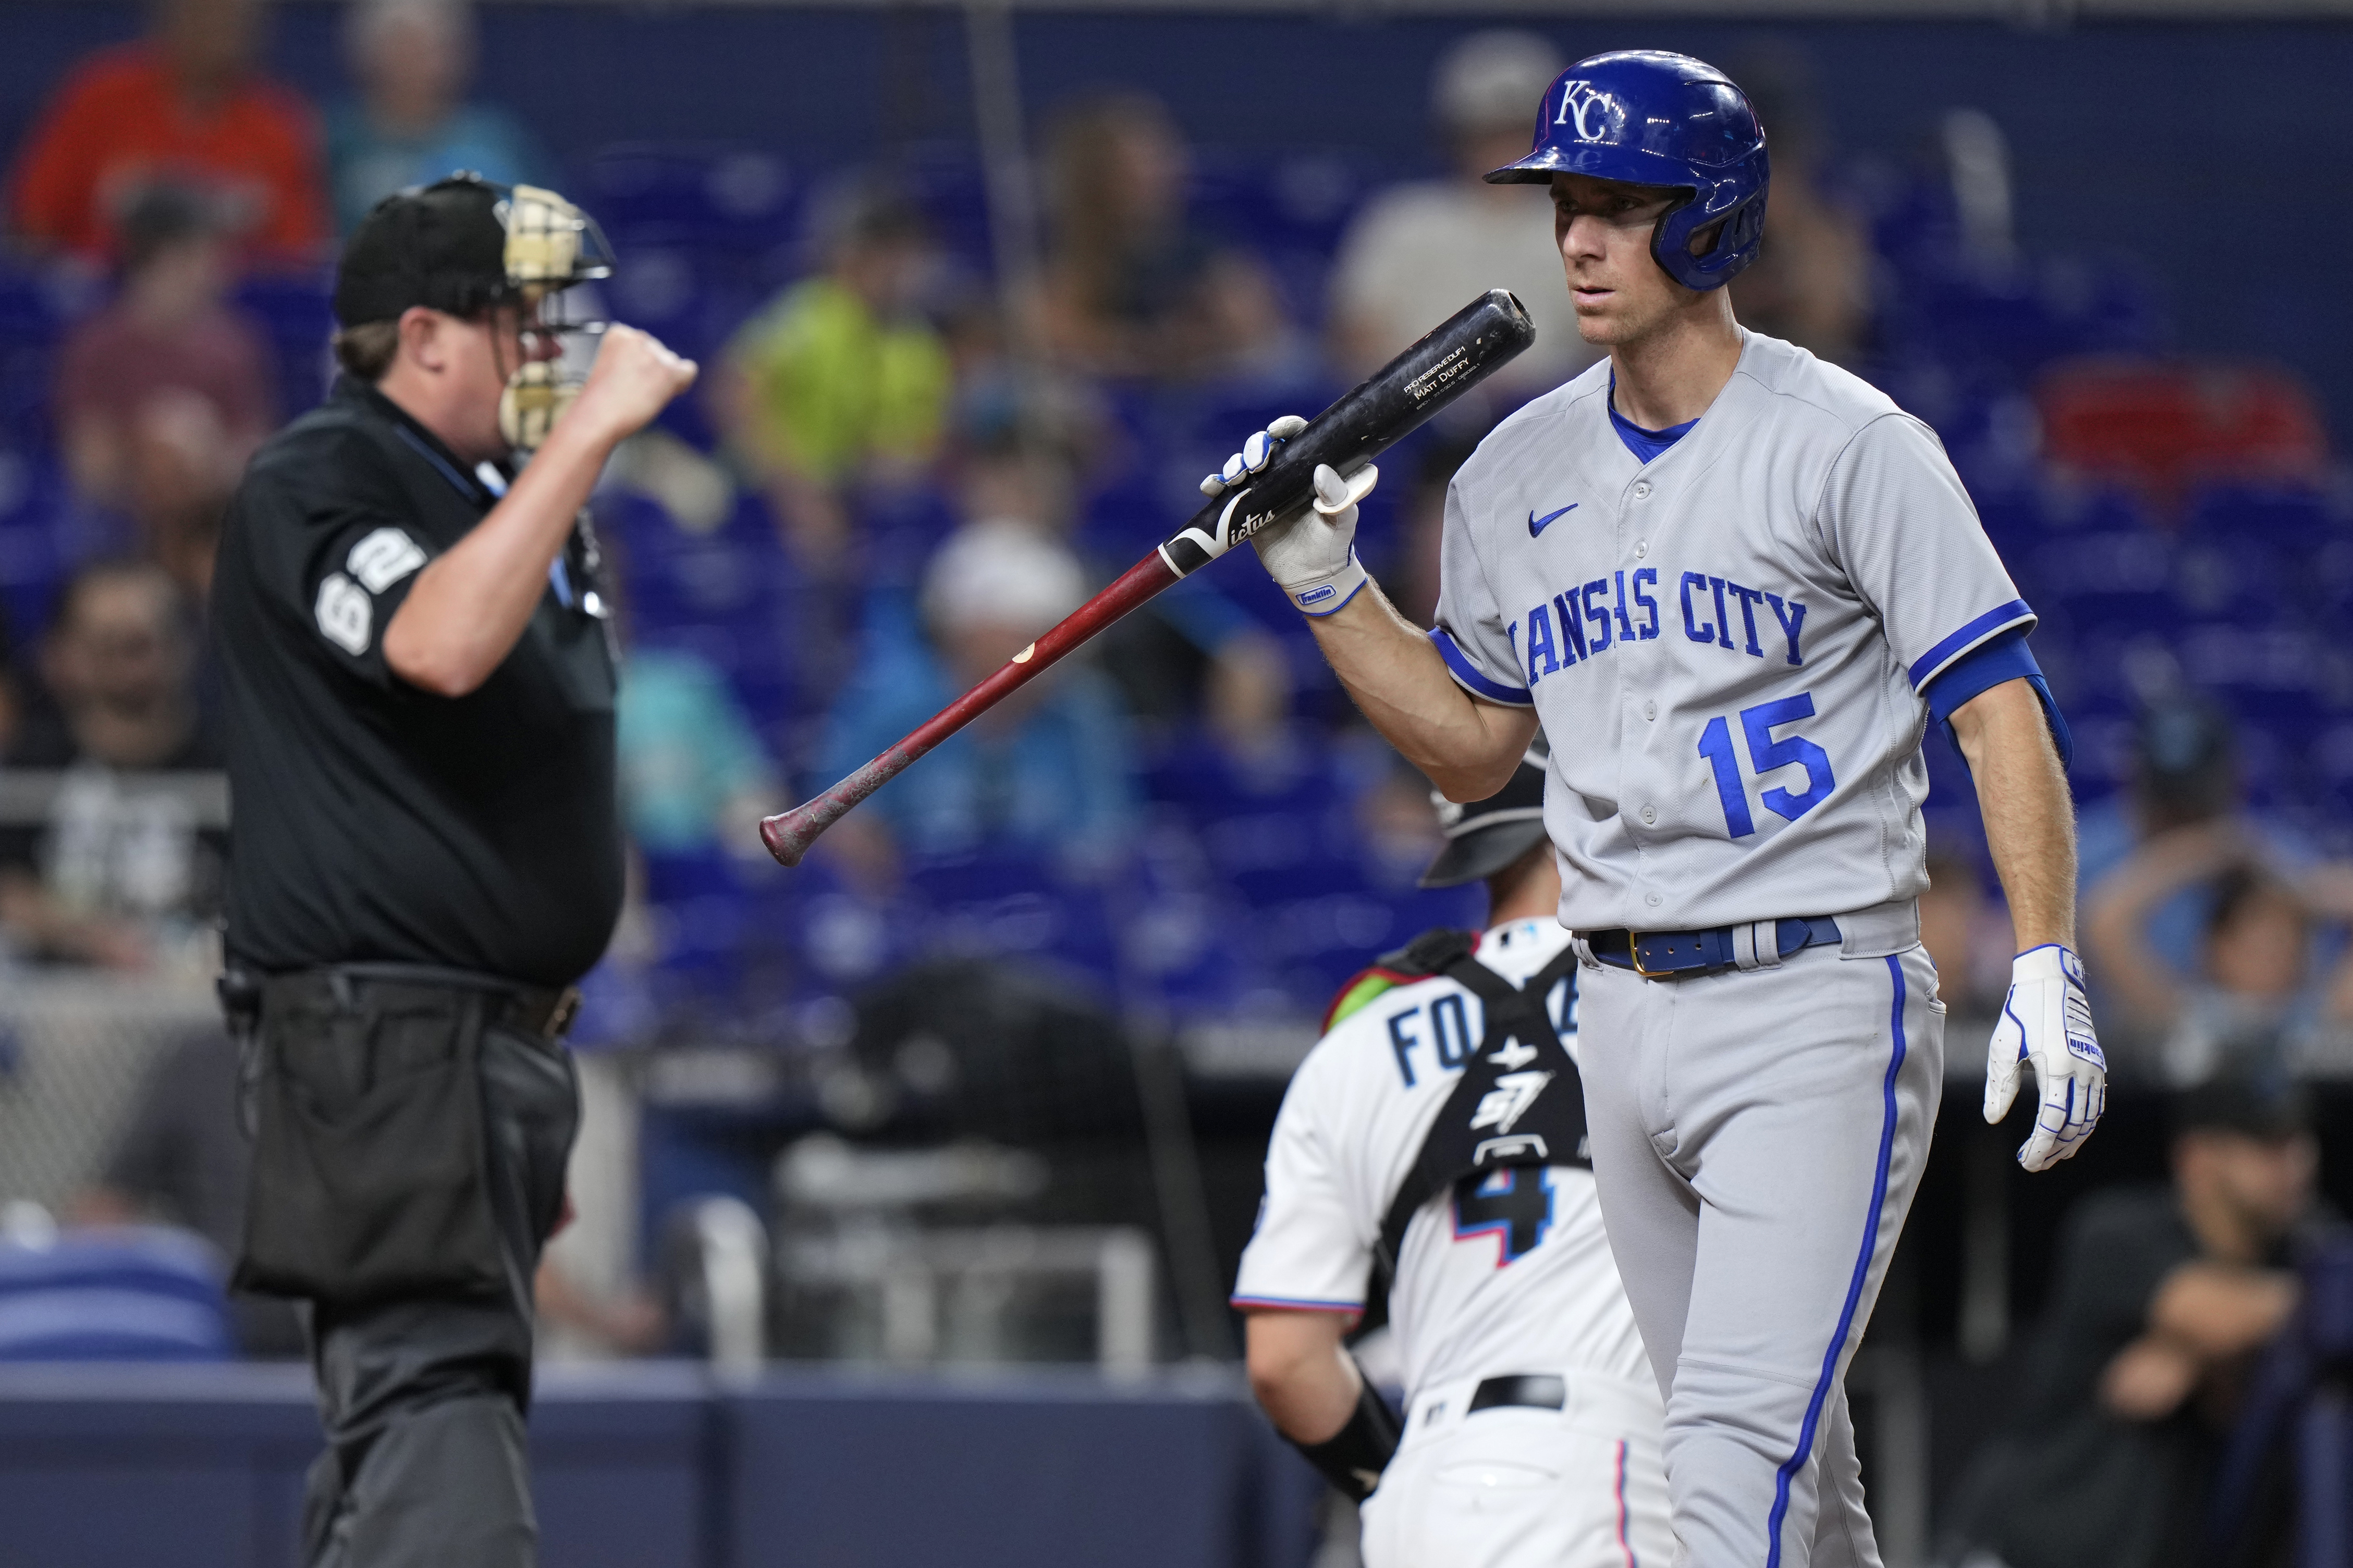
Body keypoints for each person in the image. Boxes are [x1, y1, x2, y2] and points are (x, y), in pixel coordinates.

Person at [1202, 51, 2101, 1564]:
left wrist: (2044, 956)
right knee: (1795, 1496)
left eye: (1618, 207)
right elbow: (1477, 751)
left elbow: (1993, 702)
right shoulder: (1509, 471)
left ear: (1711, 222)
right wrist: (1323, 584)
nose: (1575, 241)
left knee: (1725, 1463)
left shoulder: (1849, 442)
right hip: (1610, 1002)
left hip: (1810, 987)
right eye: (1566, 205)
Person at [208, 174, 695, 1567]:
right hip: (386, 1044)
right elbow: (432, 645)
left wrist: (523, 1092)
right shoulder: (325, 475)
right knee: (439, 1445)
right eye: (521, 326)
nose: (554, 357)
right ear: (423, 336)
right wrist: (591, 435)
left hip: (470, 1053)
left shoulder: (493, 497)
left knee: (408, 1438)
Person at [1238, 741, 1670, 1566]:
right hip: (1604, 1467)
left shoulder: (1356, 1040)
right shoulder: (1669, 994)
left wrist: (1400, 1472)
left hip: (1420, 1498)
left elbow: (1283, 1362)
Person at [1940, 1071, 2314, 1568]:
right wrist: (2248, 1329)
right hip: (2023, 1548)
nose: (2295, 1162)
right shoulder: (2120, 1230)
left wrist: (2209, 1356)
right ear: (2198, 1158)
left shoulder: (2299, 1255)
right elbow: (2209, 1312)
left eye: (2299, 1140)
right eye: (2266, 1143)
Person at [815, 511, 1137, 876]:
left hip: (1047, 910)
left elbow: (1110, 833)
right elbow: (841, 826)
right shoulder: (889, 704)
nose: (1041, 653)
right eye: (1018, 634)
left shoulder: (1085, 711)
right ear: (963, 634)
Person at [1328, 32, 1599, 398]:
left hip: (1548, 412)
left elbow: (1600, 344)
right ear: (1458, 135)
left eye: (1517, 130)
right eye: (1487, 131)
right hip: (1414, 414)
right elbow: (1354, 335)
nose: (1502, 147)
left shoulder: (1581, 227)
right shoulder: (1402, 218)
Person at [0, 560, 223, 974]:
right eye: (105, 646)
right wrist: (86, 933)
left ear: (186, 645)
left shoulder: (228, 767)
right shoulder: (31, 761)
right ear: (60, 656)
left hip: (193, 1008)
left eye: (142, 644)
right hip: (52, 1009)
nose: (127, 671)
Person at [713, 183, 952, 570]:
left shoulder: (918, 341)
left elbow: (926, 439)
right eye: (887, 253)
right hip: (776, 499)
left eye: (909, 255)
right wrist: (795, 491)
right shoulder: (809, 313)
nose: (900, 270)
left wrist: (894, 467)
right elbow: (734, 391)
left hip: (869, 508)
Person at [55, 182, 277, 591]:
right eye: (209, 249)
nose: (223, 264)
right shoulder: (99, 347)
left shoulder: (234, 347)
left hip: (209, 535)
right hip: (126, 537)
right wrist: (156, 450)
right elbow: (90, 468)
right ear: (168, 254)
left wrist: (202, 452)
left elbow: (255, 458)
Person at [8, 0, 326, 266]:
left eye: (234, 17)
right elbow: (33, 219)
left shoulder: (279, 122)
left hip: (233, 319)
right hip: (102, 305)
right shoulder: (100, 95)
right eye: (202, 13)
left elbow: (296, 257)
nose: (218, 29)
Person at [1037, 90, 1299, 381]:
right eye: (1133, 167)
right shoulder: (1076, 260)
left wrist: (1208, 336)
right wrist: (1152, 349)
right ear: (1094, 183)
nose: (1158, 176)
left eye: (1158, 161)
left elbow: (1260, 328)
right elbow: (1049, 335)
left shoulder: (1202, 251)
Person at [2084, 824, 2353, 1083]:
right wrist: (2212, 850)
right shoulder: (2178, 1015)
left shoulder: (2324, 1016)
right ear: (2214, 948)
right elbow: (2106, 922)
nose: (2270, 954)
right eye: (2253, 941)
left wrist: (2297, 882)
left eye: (2284, 940)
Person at [326, 0, 549, 236]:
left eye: (437, 46)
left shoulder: (495, 140)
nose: (422, 63)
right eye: (405, 46)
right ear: (365, 52)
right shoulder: (335, 138)